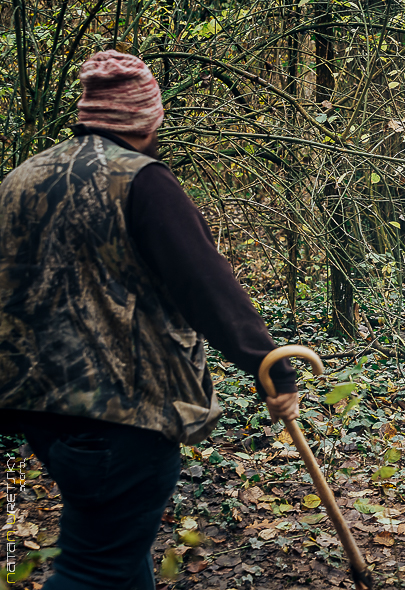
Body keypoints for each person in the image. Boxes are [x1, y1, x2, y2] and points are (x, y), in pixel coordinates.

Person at [0, 50, 301, 590]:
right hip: (120, 412)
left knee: (117, 550)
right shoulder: (143, 182)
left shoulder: (23, 178)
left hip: (38, 407)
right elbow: (207, 286)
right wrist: (272, 370)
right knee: (95, 566)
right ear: (146, 120)